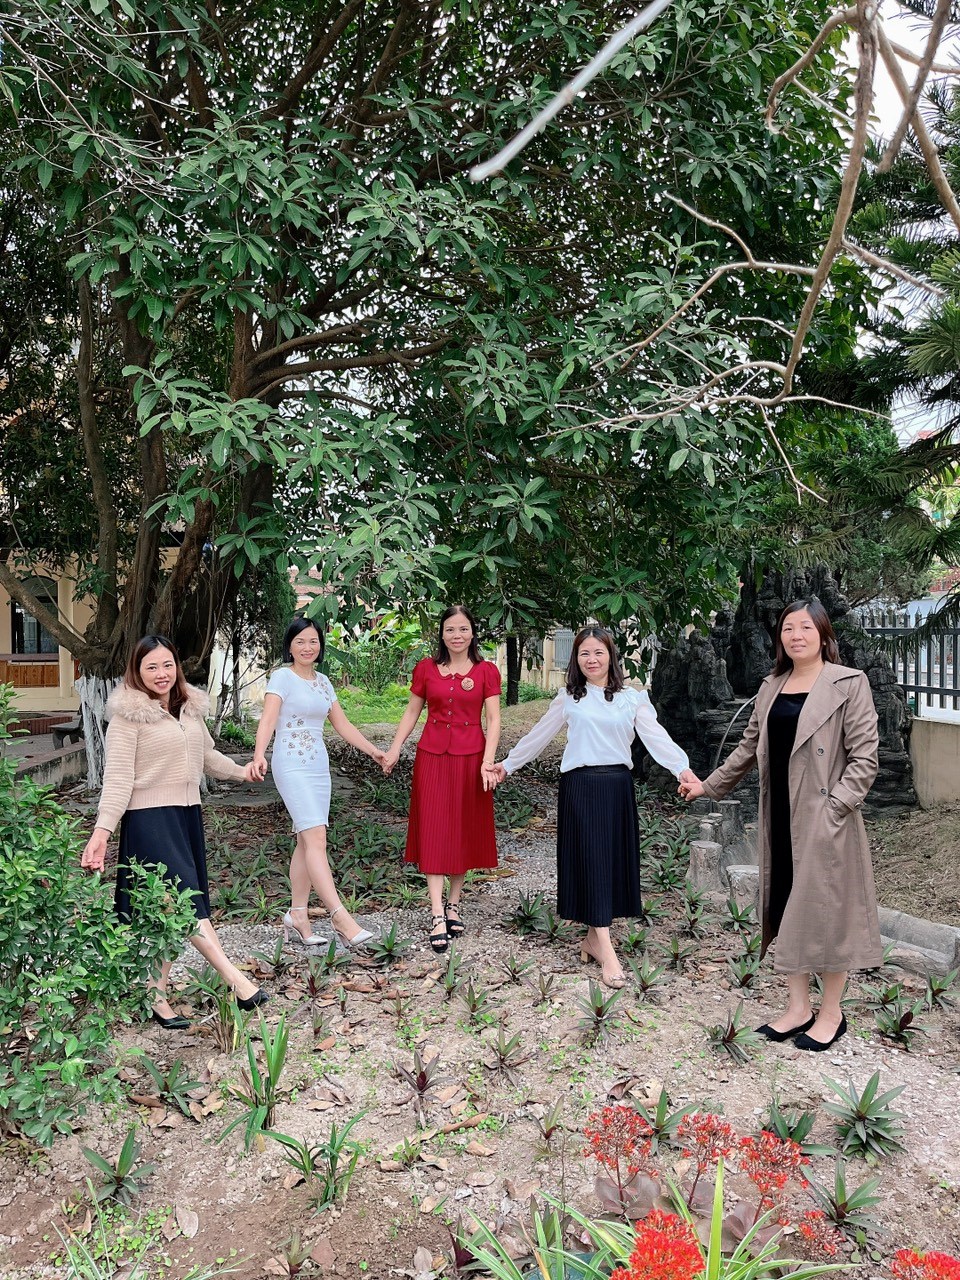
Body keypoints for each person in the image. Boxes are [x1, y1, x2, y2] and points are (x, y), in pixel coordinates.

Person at [679, 599, 881, 1051]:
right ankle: (798, 1007)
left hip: (826, 818)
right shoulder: (772, 686)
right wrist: (708, 785)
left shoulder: (849, 683)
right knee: (786, 903)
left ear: (823, 635)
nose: (796, 635)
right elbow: (748, 748)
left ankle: (832, 1013)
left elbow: (865, 758)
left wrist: (835, 809)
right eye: (788, 628)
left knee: (829, 911)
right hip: (780, 814)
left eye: (806, 627)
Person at [492, 626, 696, 988]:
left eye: (598, 652)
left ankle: (591, 939)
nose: (591, 659)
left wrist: (682, 769)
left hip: (617, 788)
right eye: (584, 653)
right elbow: (538, 736)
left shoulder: (632, 699)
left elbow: (657, 739)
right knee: (591, 860)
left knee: (609, 864)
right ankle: (606, 948)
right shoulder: (569, 698)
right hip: (581, 787)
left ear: (611, 656)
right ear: (576, 658)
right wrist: (507, 765)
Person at [80, 635, 267, 1028]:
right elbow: (118, 779)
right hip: (149, 820)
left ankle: (156, 997)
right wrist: (102, 832)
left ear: (177, 666)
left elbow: (206, 756)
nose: (161, 673)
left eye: (167, 664)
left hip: (185, 815)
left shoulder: (189, 709)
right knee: (185, 905)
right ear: (137, 672)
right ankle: (237, 982)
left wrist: (242, 772)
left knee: (169, 910)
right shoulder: (128, 717)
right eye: (151, 667)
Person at [252, 617, 384, 949]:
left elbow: (342, 724)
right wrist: (258, 754)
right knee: (317, 838)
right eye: (300, 641)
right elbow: (268, 719)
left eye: (313, 641)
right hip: (291, 764)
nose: (307, 647)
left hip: (317, 767)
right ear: (289, 646)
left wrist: (373, 751)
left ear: (320, 645)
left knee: (306, 840)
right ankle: (340, 917)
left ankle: (298, 914)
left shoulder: (324, 682)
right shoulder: (282, 677)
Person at [382, 606, 501, 953]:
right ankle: (436, 912)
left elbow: (494, 720)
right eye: (450, 629)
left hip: (471, 758)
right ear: (442, 634)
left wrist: (488, 761)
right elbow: (412, 711)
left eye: (463, 629)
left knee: (462, 829)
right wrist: (394, 749)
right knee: (433, 829)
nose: (457, 636)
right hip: (431, 757)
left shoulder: (486, 671)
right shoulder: (426, 668)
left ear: (472, 633)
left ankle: (454, 904)